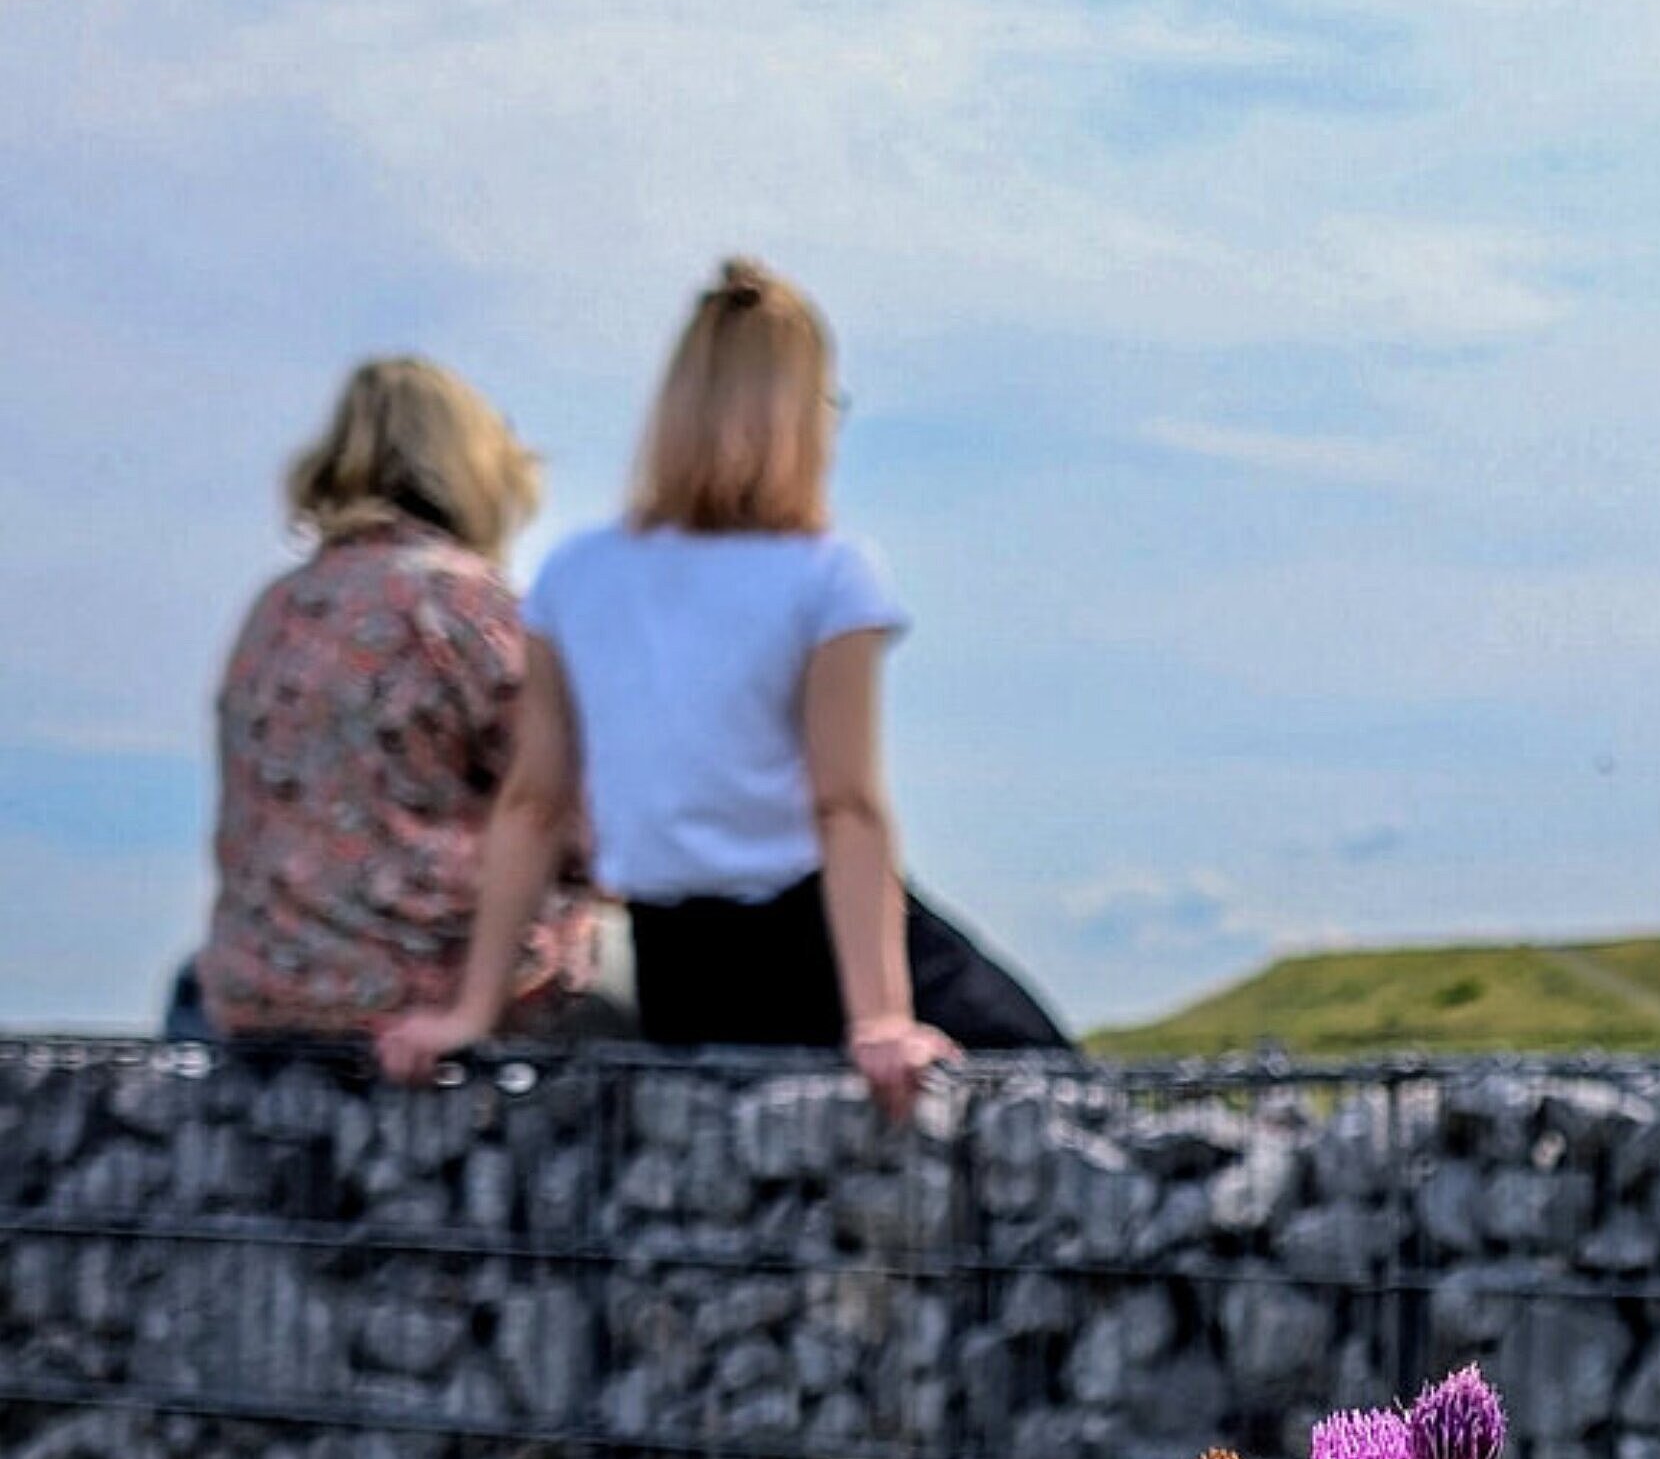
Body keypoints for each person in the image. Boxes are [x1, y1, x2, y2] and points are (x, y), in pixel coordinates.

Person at [375, 258, 1062, 1117]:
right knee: (1055, 1088)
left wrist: (470, 1013)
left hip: (681, 969)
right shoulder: (827, 575)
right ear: (799, 419)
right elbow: (845, 806)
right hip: (817, 948)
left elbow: (533, 806)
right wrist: (882, 1015)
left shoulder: (575, 576)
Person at [195, 358, 602, 1041]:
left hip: (258, 985)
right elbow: (574, 820)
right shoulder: (468, 605)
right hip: (428, 991)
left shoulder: (274, 611)